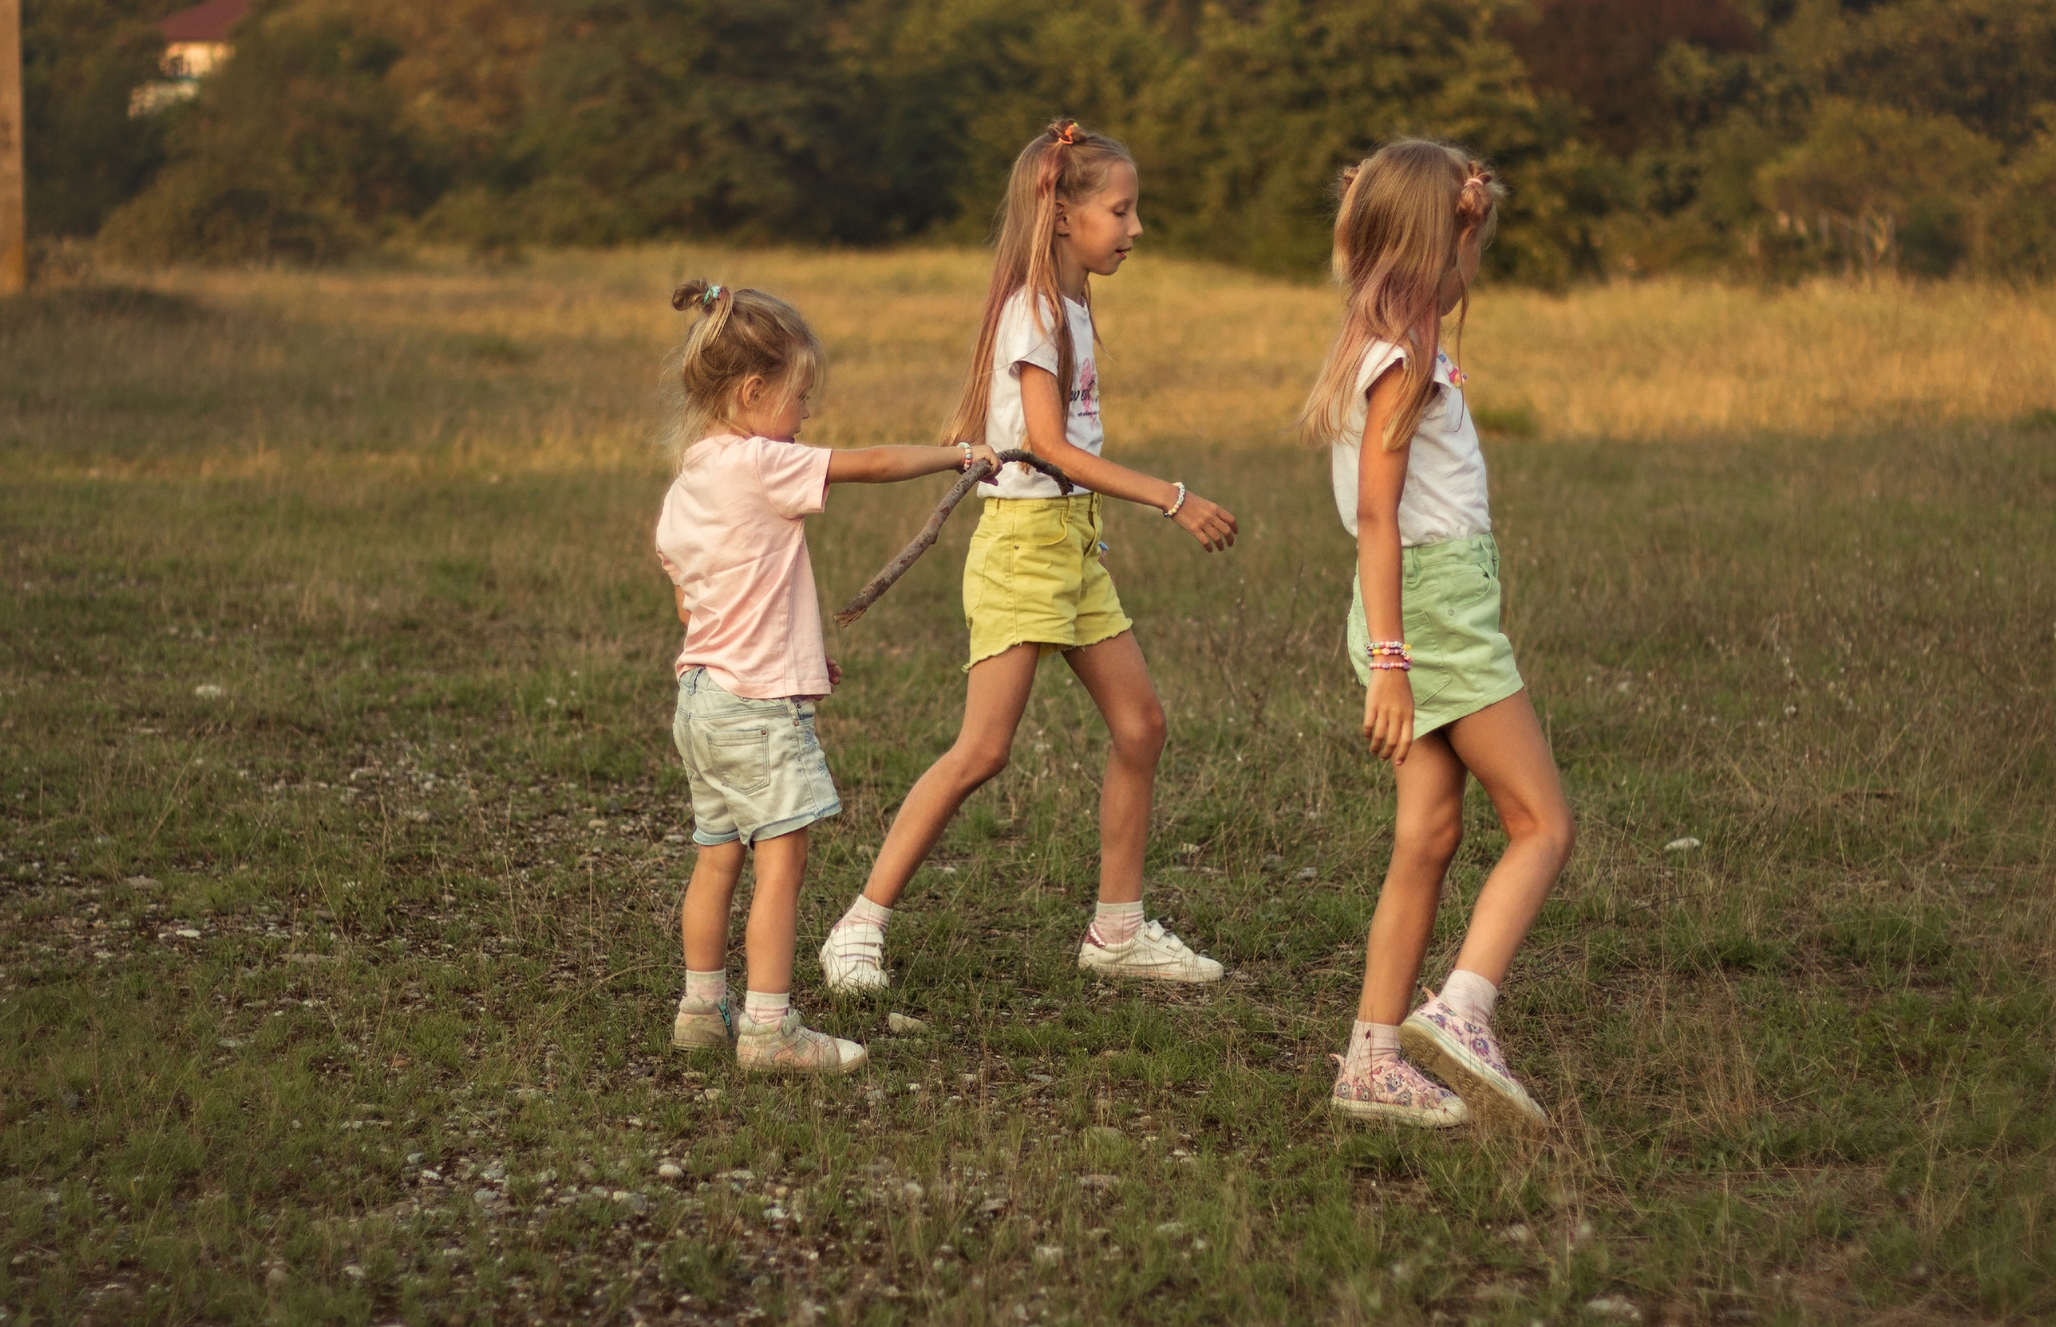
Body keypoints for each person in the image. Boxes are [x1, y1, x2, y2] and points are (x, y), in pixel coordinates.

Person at [819, 118, 1240, 995]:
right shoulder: (1035, 310)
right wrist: (1171, 496)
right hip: (1024, 547)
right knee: (982, 750)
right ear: (1061, 213)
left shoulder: (1072, 303)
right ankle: (858, 925)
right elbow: (1049, 445)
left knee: (1141, 726)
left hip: (1073, 543)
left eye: (1135, 211)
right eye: (1121, 211)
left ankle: (1117, 932)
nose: (1134, 228)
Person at [1300, 140, 1575, 1130]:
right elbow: (1378, 516)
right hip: (1431, 612)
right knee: (1541, 824)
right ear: (1412, 242)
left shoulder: (1382, 326)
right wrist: (1391, 662)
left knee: (1428, 833)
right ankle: (1463, 1011)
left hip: (1414, 607)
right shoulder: (1402, 363)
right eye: (1448, 232)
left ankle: (1371, 1061)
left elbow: (1445, 278)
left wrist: (1460, 218)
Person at [654, 279, 997, 1073]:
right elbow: (869, 462)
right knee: (782, 862)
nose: (805, 416)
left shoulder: (687, 484)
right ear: (751, 392)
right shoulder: (760, 462)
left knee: (716, 856)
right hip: (757, 706)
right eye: (800, 397)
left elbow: (696, 598)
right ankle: (770, 1030)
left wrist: (798, 647)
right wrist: (957, 453)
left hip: (702, 698)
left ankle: (701, 1008)